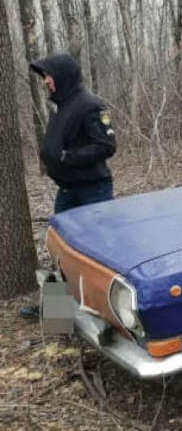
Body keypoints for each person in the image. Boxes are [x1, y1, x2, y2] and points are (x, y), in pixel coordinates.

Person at [21, 52, 117, 319]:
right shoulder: (62, 107)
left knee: (99, 252)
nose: (45, 82)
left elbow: (107, 146)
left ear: (63, 75)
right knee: (59, 248)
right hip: (68, 190)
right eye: (44, 77)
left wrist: (67, 157)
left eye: (48, 76)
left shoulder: (90, 105)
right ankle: (56, 315)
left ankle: (108, 315)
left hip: (92, 191)